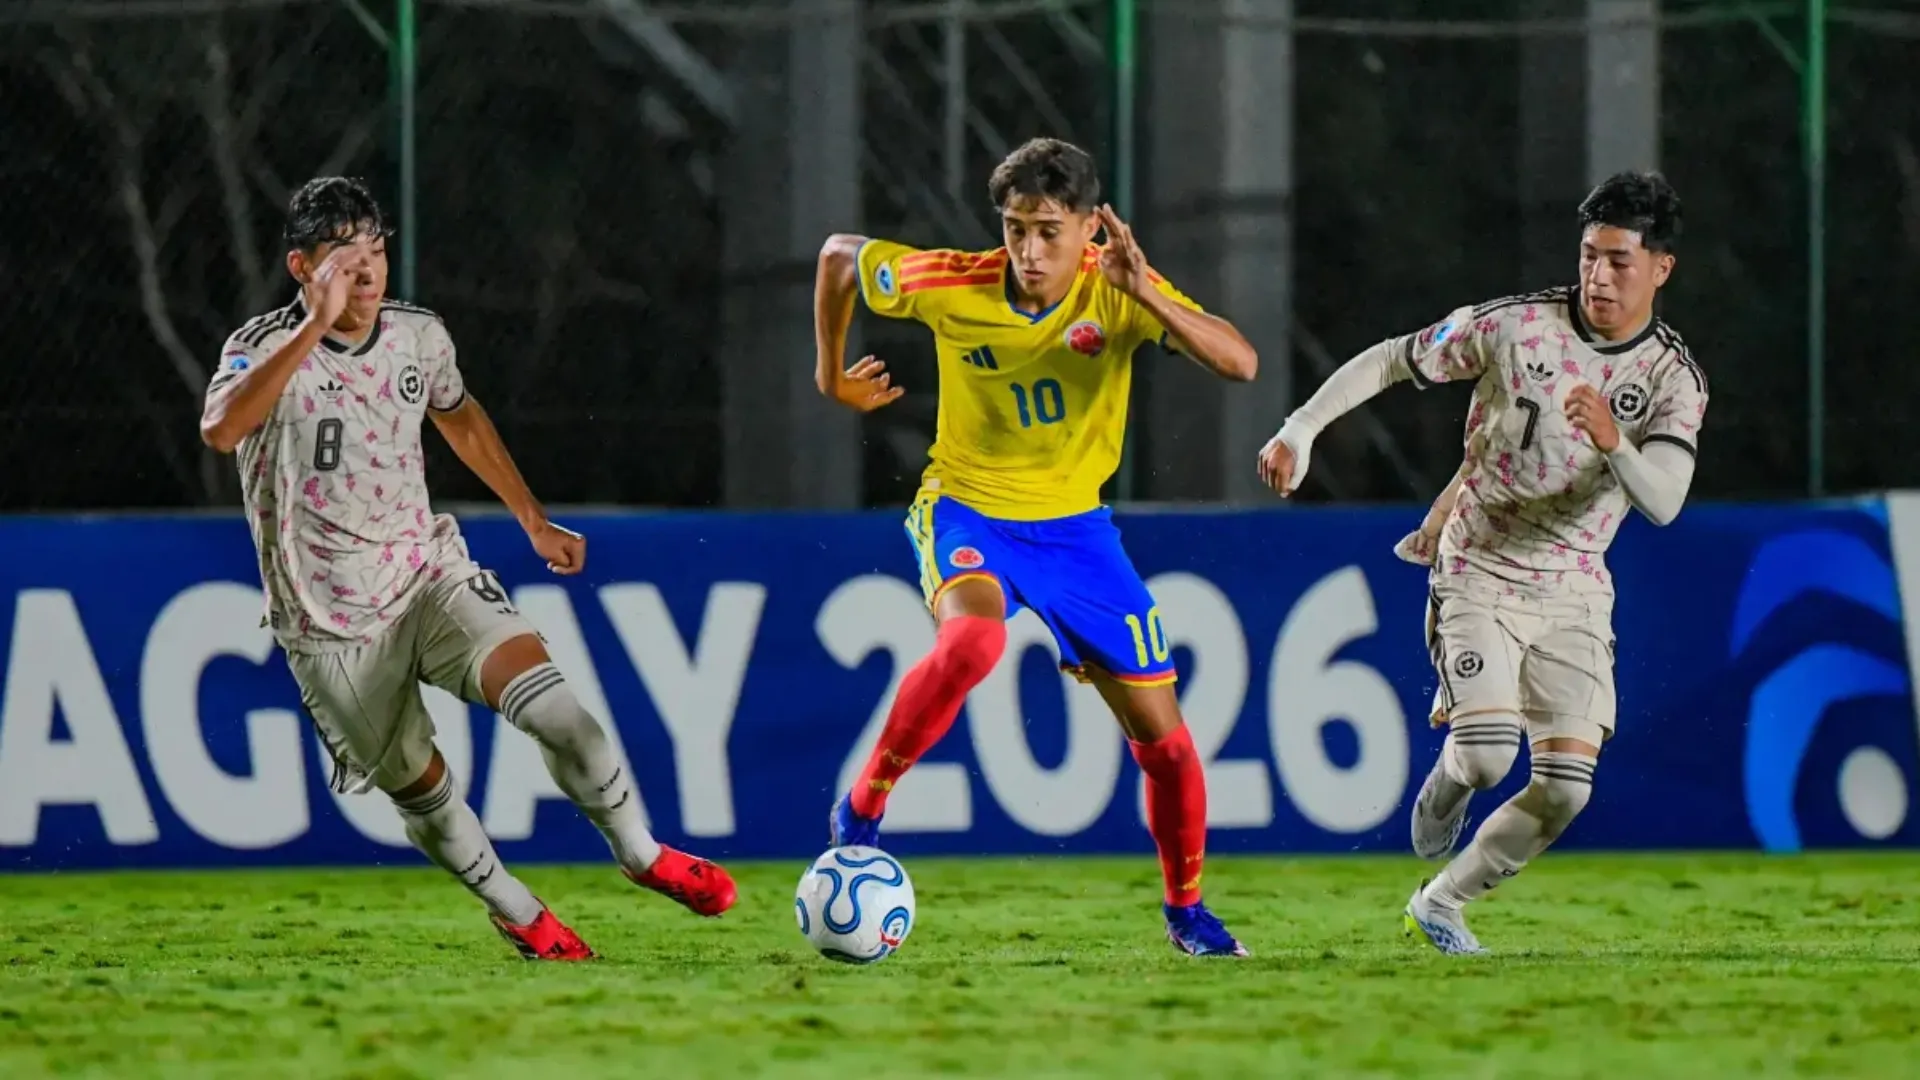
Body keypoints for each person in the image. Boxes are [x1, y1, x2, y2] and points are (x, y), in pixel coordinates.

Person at [199, 177, 736, 961]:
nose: (366, 270)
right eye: (343, 256)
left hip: (429, 577)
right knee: (423, 789)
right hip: (330, 627)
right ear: (302, 267)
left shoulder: (418, 337)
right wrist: (312, 326)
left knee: (563, 716)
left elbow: (458, 414)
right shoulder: (261, 347)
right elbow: (221, 430)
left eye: (375, 250)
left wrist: (532, 519)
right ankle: (517, 910)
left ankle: (642, 854)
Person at [812, 137, 1259, 957]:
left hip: (1079, 535)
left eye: (1050, 231)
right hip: (969, 512)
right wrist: (829, 373)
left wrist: (1146, 295)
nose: (1029, 250)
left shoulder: (1118, 290)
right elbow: (839, 256)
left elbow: (1241, 363)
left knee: (1167, 745)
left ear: (1091, 228)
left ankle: (1187, 912)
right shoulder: (955, 283)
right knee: (973, 642)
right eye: (1016, 228)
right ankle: (864, 807)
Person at [1256, 171, 1707, 954]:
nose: (1599, 276)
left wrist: (1613, 440)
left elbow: (1664, 501)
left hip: (1575, 588)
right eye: (1590, 255)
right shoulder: (1517, 327)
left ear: (1661, 268)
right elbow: (1392, 359)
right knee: (1492, 754)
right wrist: (1301, 428)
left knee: (1565, 790)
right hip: (1480, 564)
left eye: (1620, 261)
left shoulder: (1671, 378)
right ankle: (1455, 774)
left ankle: (1440, 903)